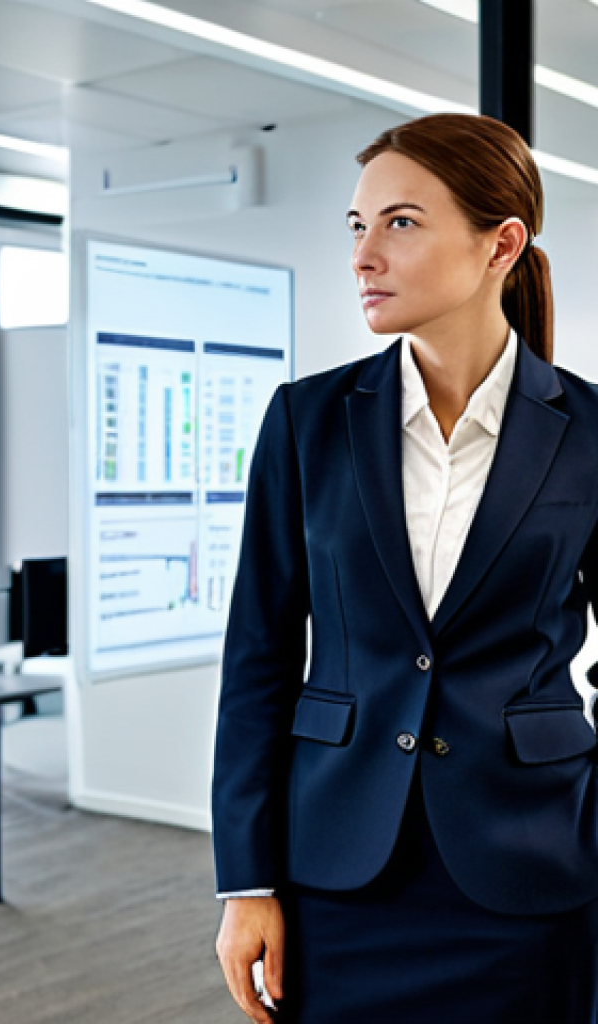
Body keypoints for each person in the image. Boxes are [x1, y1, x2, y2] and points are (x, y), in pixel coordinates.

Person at [210, 112, 598, 1023]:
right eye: (357, 226)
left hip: (535, 865)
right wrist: (246, 881)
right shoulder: (307, 420)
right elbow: (258, 660)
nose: (364, 255)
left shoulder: (590, 434)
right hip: (338, 870)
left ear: (501, 243)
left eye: (401, 223)